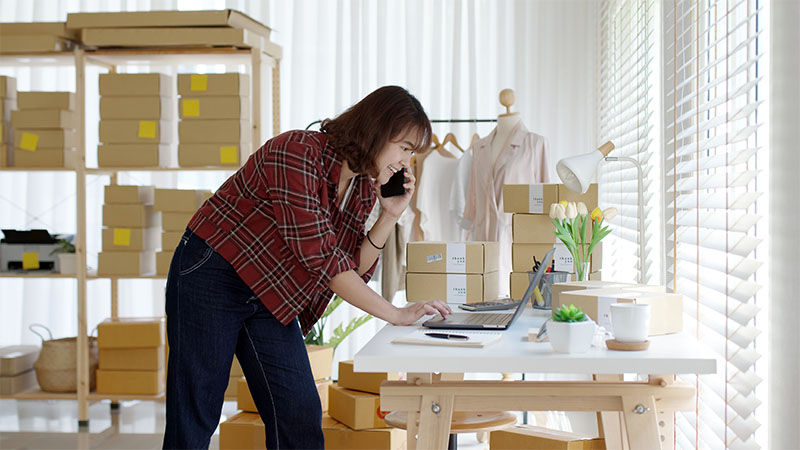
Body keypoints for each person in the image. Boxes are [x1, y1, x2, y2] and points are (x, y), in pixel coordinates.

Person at [162, 85, 452, 449]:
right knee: (197, 410)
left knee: (298, 410)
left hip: (268, 291)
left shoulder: (362, 187)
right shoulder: (296, 152)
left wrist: (389, 215)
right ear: (378, 130)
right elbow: (325, 262)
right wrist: (395, 313)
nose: (406, 163)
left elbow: (350, 267)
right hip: (213, 272)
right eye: (405, 148)